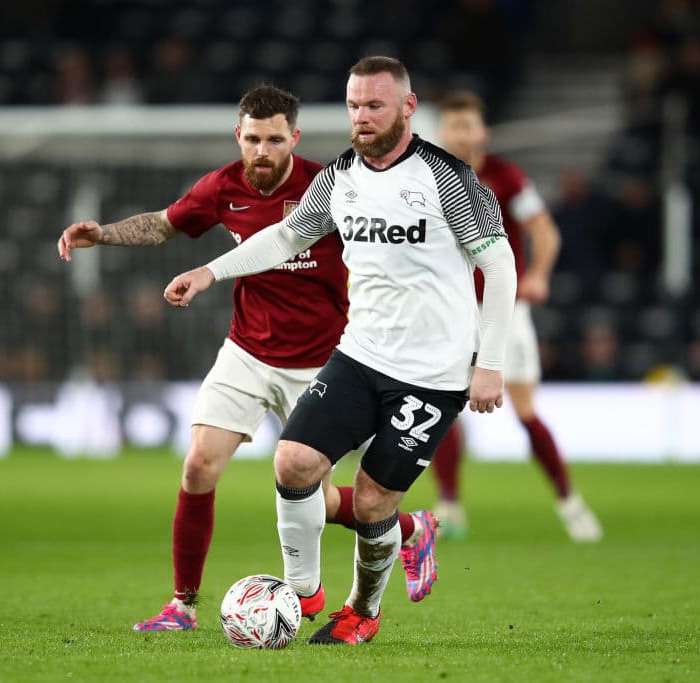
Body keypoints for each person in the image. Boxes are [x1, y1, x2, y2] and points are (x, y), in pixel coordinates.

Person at [56, 85, 439, 633]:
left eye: (274, 140)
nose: (262, 151)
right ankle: (182, 605)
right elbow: (166, 223)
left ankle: (405, 527)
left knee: (321, 496)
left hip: (323, 361)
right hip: (248, 350)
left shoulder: (330, 186)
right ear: (239, 136)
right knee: (197, 466)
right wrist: (105, 234)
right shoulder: (223, 186)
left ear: (294, 139)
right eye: (253, 139)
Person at [164, 57, 516, 646]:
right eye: (353, 105)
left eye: (374, 105)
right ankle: (301, 596)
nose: (362, 116)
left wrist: (492, 363)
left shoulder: (444, 176)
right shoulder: (340, 176)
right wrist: (210, 271)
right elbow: (285, 237)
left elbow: (499, 265)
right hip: (360, 354)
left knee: (375, 502)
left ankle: (363, 611)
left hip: (433, 372)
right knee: (293, 462)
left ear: (407, 107)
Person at [432, 91, 603, 542]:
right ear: (441, 132)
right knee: (444, 410)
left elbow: (544, 231)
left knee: (524, 410)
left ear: (483, 132)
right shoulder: (428, 177)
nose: (460, 134)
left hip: (506, 310)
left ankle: (570, 501)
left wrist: (540, 276)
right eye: (453, 126)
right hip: (452, 310)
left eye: (467, 125)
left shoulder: (505, 177)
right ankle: (449, 505)